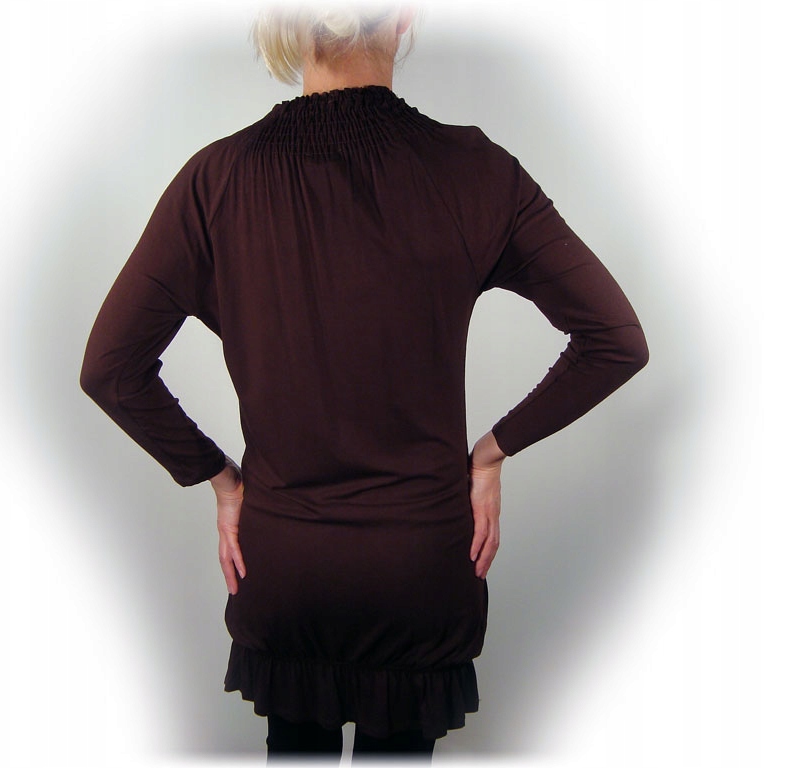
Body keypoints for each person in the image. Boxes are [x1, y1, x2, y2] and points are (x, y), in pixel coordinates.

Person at [80, 4, 649, 761]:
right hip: (420, 565)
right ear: (404, 19)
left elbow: (110, 368)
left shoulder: (216, 179)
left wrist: (220, 480)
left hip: (286, 562)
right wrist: (491, 453)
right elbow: (616, 339)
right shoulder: (477, 170)